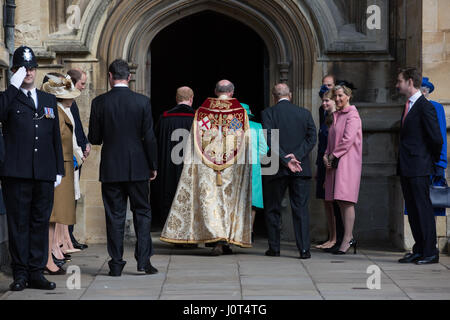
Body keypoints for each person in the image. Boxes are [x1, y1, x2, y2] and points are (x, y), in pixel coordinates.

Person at [160, 80, 252, 256]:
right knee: (228, 202)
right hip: (231, 168)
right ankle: (225, 239)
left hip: (206, 165)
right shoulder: (239, 113)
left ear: (215, 91)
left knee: (211, 202)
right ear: (231, 92)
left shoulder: (203, 112)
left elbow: (196, 140)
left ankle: (215, 238)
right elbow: (242, 141)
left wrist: (189, 164)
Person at [0, 46, 64, 291]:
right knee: (19, 225)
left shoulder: (47, 99)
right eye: (23, 68)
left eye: (32, 68)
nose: (28, 72)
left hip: (44, 173)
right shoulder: (8, 97)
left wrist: (58, 168)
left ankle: (36, 271)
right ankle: (20, 273)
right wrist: (12, 87)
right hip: (16, 173)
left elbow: (54, 137)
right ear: (14, 71)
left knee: (39, 222)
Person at [88, 59, 158, 276]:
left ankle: (116, 264)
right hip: (138, 167)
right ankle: (144, 262)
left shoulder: (99, 102)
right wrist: (153, 165)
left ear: (110, 77)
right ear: (129, 77)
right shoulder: (142, 102)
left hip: (111, 167)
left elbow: (95, 138)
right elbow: (149, 137)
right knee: (143, 213)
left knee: (114, 215)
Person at [262, 83, 317, 259]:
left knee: (273, 208)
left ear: (274, 97)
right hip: (300, 167)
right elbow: (312, 137)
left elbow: (269, 138)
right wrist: (297, 156)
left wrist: (286, 159)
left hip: (275, 168)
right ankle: (303, 250)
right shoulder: (304, 113)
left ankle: (274, 248)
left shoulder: (268, 113)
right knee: (300, 209)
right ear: (290, 95)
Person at [396, 68, 442, 265]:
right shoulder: (407, 106)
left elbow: (436, 139)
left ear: (409, 82)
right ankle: (419, 248)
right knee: (413, 210)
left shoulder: (425, 106)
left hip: (419, 166)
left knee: (422, 209)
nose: (397, 85)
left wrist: (428, 160)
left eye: (399, 81)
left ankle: (430, 251)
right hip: (407, 166)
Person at [41, 73, 83, 275]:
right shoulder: (56, 113)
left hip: (63, 166)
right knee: (52, 216)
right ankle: (47, 258)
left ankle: (50, 256)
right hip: (59, 167)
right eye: (69, 94)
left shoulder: (62, 111)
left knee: (55, 217)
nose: (73, 98)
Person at [323, 85, 363, 255]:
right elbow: (331, 140)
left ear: (348, 96)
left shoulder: (353, 115)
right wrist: (326, 155)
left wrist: (332, 156)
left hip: (347, 163)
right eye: (336, 96)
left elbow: (347, 140)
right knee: (339, 200)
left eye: (340, 95)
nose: (337, 99)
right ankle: (345, 238)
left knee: (346, 200)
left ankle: (348, 239)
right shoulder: (336, 115)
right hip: (335, 163)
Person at [153, 86, 195, 226]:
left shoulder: (165, 118)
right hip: (191, 167)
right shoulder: (198, 118)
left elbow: (156, 143)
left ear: (176, 99)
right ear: (191, 99)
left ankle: (170, 231)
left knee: (170, 197)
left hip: (169, 167)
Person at [67, 68, 90, 250]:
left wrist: (86, 144)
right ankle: (67, 237)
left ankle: (69, 236)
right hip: (71, 158)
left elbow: (78, 128)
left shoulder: (72, 102)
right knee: (68, 199)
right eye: (82, 83)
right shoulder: (68, 102)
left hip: (78, 155)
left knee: (73, 196)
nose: (84, 87)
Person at [315, 89, 340, 250]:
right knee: (327, 202)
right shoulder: (326, 118)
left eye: (327, 101)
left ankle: (336, 238)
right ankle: (331, 236)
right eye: (323, 101)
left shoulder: (338, 118)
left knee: (334, 203)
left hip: (333, 164)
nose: (324, 103)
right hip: (323, 164)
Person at [421, 77, 447, 218]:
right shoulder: (410, 107)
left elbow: (441, 135)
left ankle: (431, 239)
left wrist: (441, 163)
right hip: (417, 163)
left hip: (433, 162)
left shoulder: (436, 107)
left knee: (433, 204)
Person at [241, 103, 268, 239]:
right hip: (254, 166)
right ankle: (249, 230)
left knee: (236, 199)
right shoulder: (257, 126)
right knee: (253, 200)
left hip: (235, 166)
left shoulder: (232, 126)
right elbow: (264, 150)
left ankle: (236, 230)